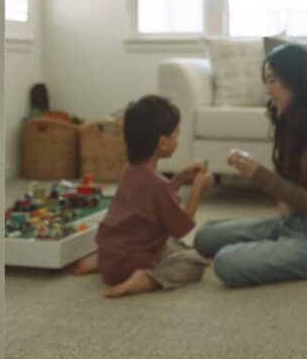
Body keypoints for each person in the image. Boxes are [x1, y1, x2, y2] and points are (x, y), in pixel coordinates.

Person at [193, 43, 307, 287]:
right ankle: (272, 249)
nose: (268, 90)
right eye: (267, 81)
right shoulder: (292, 118)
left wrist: (256, 173)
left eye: (273, 81)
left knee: (226, 262)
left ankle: (275, 253)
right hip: (291, 223)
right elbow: (288, 189)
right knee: (205, 237)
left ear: (295, 80)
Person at [73, 95, 214, 297]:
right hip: (133, 261)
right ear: (163, 143)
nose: (178, 139)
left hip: (111, 254)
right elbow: (182, 224)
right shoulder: (156, 185)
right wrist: (197, 188)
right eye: (177, 134)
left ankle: (101, 261)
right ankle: (146, 280)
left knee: (170, 244)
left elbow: (156, 200)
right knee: (193, 264)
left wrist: (181, 178)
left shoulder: (129, 170)